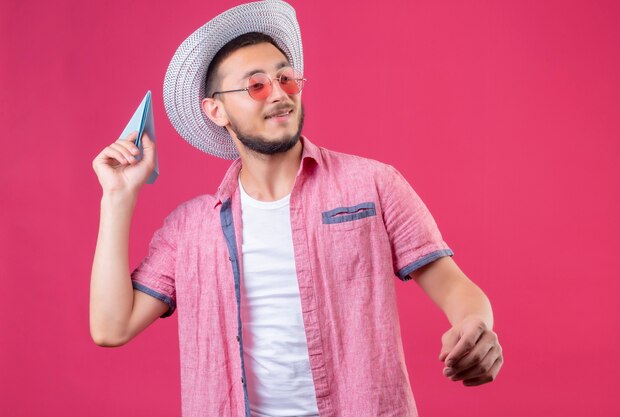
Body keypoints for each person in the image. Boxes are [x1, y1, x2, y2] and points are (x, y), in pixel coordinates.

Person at [90, 1, 503, 416]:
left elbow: (454, 287)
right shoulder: (190, 229)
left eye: (285, 78)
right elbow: (111, 327)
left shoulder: (373, 184)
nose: (279, 95)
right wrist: (117, 196)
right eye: (256, 86)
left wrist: (474, 326)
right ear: (216, 110)